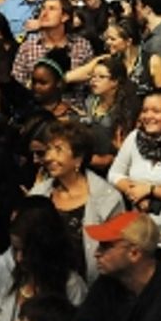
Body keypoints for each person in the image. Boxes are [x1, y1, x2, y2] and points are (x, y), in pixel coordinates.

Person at [30, 120, 125, 282]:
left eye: (58, 150)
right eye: (49, 150)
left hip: (93, 291)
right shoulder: (38, 194)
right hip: (47, 287)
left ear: (78, 159)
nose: (49, 157)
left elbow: (119, 252)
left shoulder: (108, 199)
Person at [109, 88, 161, 217]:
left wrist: (152, 190)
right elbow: (114, 174)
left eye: (156, 111)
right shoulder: (134, 137)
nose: (148, 116)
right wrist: (135, 192)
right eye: (145, 111)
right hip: (137, 223)